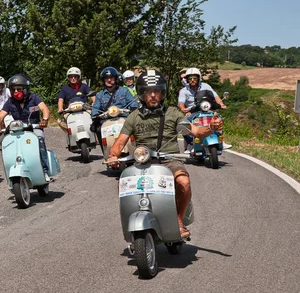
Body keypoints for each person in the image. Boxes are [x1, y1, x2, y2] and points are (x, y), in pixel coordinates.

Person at [106, 70, 224, 237]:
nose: (153, 95)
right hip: (143, 162)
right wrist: (113, 156)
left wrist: (211, 128)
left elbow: (196, 131)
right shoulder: (134, 116)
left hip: (170, 160)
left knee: (183, 182)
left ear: (163, 93)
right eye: (148, 92)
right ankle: (131, 221)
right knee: (123, 183)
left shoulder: (173, 113)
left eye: (157, 92)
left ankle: (178, 219)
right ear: (141, 93)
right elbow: (119, 143)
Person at [0, 74, 52, 182]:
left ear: (25, 89)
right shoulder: (10, 102)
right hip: (18, 129)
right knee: (9, 145)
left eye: (18, 89)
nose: (16, 92)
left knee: (40, 141)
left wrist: (45, 120)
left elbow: (44, 109)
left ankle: (45, 170)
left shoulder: (34, 97)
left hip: (34, 127)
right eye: (13, 89)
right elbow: (1, 116)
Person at [178, 67, 231, 151]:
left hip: (206, 109)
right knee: (184, 123)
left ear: (198, 78)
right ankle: (190, 144)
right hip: (191, 112)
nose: (192, 80)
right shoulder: (184, 91)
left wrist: (221, 104)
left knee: (218, 118)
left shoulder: (206, 86)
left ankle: (220, 140)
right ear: (187, 80)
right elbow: (181, 102)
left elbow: (215, 95)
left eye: (194, 78)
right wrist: (183, 109)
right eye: (190, 78)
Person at [57, 67, 95, 132]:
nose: (73, 78)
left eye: (75, 76)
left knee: (95, 118)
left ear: (78, 77)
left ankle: (94, 136)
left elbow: (92, 95)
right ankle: (70, 133)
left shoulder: (84, 86)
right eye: (71, 77)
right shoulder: (64, 88)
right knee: (59, 121)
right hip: (70, 111)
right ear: (68, 78)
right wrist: (60, 108)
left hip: (84, 110)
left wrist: (94, 102)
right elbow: (60, 99)